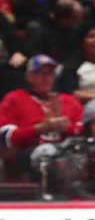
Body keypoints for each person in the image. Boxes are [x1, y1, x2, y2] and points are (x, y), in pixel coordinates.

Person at [0, 54, 83, 185]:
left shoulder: (69, 101)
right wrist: (40, 128)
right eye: (40, 73)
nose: (46, 78)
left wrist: (65, 128)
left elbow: (83, 134)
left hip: (67, 157)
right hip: (26, 159)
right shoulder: (14, 99)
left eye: (50, 73)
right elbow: (4, 138)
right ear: (29, 76)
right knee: (46, 153)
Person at [57, 21, 95, 104]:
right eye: (91, 36)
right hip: (89, 107)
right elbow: (71, 93)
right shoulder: (72, 66)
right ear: (82, 42)